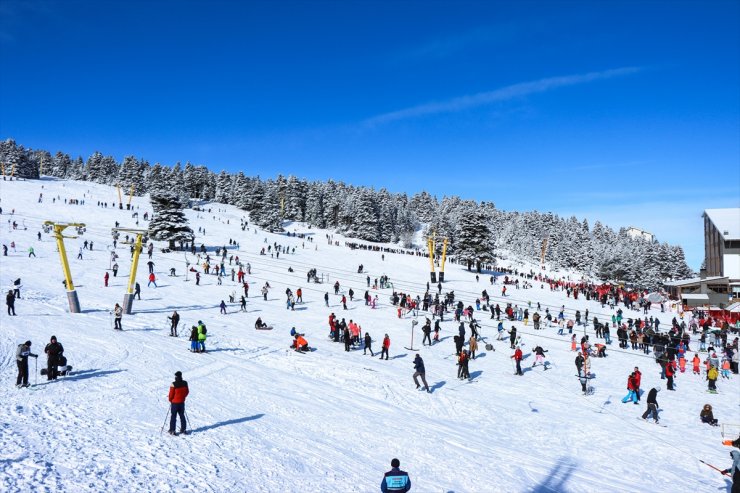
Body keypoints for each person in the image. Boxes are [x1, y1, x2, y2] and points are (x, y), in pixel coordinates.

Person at [168, 371, 189, 435]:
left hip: (174, 403)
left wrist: (170, 400)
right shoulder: (185, 383)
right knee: (182, 416)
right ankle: (183, 429)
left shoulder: (173, 384)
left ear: (176, 377)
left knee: (173, 416)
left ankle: (172, 430)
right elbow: (187, 392)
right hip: (182, 402)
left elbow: (171, 394)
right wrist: (183, 397)